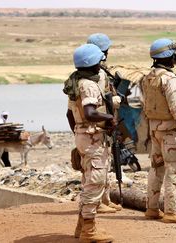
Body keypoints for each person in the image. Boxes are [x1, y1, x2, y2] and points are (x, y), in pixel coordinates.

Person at [65, 44, 115, 242]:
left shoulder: (75, 82)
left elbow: (70, 114)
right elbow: (90, 113)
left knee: (87, 182)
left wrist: (78, 134)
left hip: (83, 136)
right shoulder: (89, 85)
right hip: (93, 139)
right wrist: (109, 117)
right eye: (98, 63)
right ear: (93, 63)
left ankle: (81, 226)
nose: (100, 66)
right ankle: (89, 230)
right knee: (95, 183)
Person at [141, 38, 176, 223]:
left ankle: (152, 208)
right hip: (170, 130)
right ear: (168, 56)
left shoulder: (148, 77)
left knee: (156, 169)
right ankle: (171, 211)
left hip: (154, 128)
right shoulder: (169, 78)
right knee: (173, 169)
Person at [87, 33, 123, 214]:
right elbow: (102, 99)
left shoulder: (96, 71)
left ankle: (105, 199)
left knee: (105, 162)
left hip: (101, 122)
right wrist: (117, 100)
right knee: (97, 166)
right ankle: (98, 202)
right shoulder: (97, 74)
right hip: (99, 122)